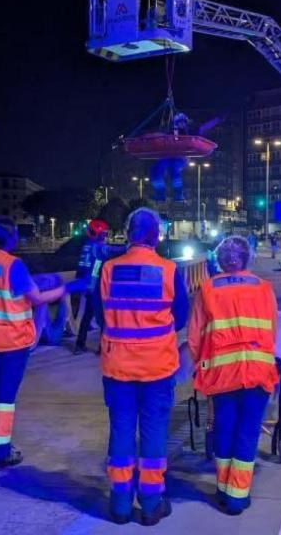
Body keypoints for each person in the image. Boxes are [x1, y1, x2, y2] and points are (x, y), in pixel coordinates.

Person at [94, 208, 190, 525]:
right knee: (153, 433)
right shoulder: (168, 270)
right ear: (157, 235)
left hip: (117, 366)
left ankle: (120, 504)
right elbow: (182, 316)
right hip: (157, 367)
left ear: (127, 233)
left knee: (121, 429)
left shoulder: (108, 269)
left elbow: (98, 315)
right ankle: (150, 504)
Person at [188, 235, 278, 515]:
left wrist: (202, 365)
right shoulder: (263, 288)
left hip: (222, 373)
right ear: (247, 259)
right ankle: (238, 496)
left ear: (220, 261)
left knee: (224, 427)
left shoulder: (208, 288)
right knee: (248, 430)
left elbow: (194, 336)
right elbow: (272, 330)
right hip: (257, 370)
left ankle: (224, 489)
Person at [0, 217, 66, 469]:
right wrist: (62, 291)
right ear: (10, 238)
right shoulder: (13, 264)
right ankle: (1, 451)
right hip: (12, 340)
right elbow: (35, 298)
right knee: (5, 398)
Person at [72, 219, 110, 355]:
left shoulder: (87, 245)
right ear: (98, 234)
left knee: (87, 316)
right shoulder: (98, 247)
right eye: (104, 234)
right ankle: (102, 348)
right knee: (104, 317)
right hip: (96, 286)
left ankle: (80, 345)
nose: (105, 237)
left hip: (87, 284)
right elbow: (113, 251)